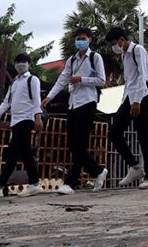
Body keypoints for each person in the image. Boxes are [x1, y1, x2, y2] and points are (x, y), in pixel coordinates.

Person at [42, 27, 108, 195]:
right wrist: (49, 97)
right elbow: (62, 79)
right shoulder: (72, 60)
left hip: (88, 102)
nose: (80, 41)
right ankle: (97, 171)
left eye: (83, 38)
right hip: (73, 103)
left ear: (90, 40)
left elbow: (101, 80)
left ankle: (70, 183)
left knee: (79, 143)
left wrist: (82, 79)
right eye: (78, 38)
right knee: (73, 144)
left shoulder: (95, 57)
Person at [0, 53, 44, 198]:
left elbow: (36, 100)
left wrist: (38, 118)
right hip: (15, 121)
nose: (20, 65)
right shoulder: (14, 83)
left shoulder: (32, 80)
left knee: (12, 151)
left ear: (29, 63)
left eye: (23, 62)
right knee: (25, 153)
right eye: (17, 62)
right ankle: (35, 183)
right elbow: (6, 103)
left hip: (27, 119)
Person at [105, 26, 148, 189]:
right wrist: (124, 102)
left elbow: (144, 75)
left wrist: (137, 101)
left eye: (115, 43)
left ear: (122, 39)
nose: (114, 47)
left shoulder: (138, 50)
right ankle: (135, 167)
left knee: (143, 135)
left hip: (141, 96)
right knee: (114, 133)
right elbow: (129, 81)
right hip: (129, 98)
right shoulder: (124, 56)